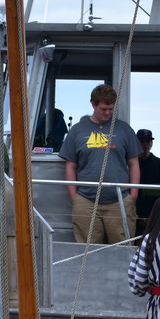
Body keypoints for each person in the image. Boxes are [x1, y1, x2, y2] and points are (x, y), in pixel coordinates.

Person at [58, 84, 141, 244]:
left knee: (122, 250)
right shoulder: (77, 130)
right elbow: (71, 166)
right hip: (85, 200)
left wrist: (133, 195)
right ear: (93, 104)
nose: (108, 113)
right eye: (104, 109)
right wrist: (74, 196)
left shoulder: (124, 129)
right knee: (86, 251)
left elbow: (134, 163)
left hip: (120, 199)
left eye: (111, 109)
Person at [134, 128, 160, 234]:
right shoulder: (130, 164)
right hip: (135, 213)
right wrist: (139, 216)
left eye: (148, 141)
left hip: (156, 213)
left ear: (151, 143)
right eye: (142, 141)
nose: (145, 144)